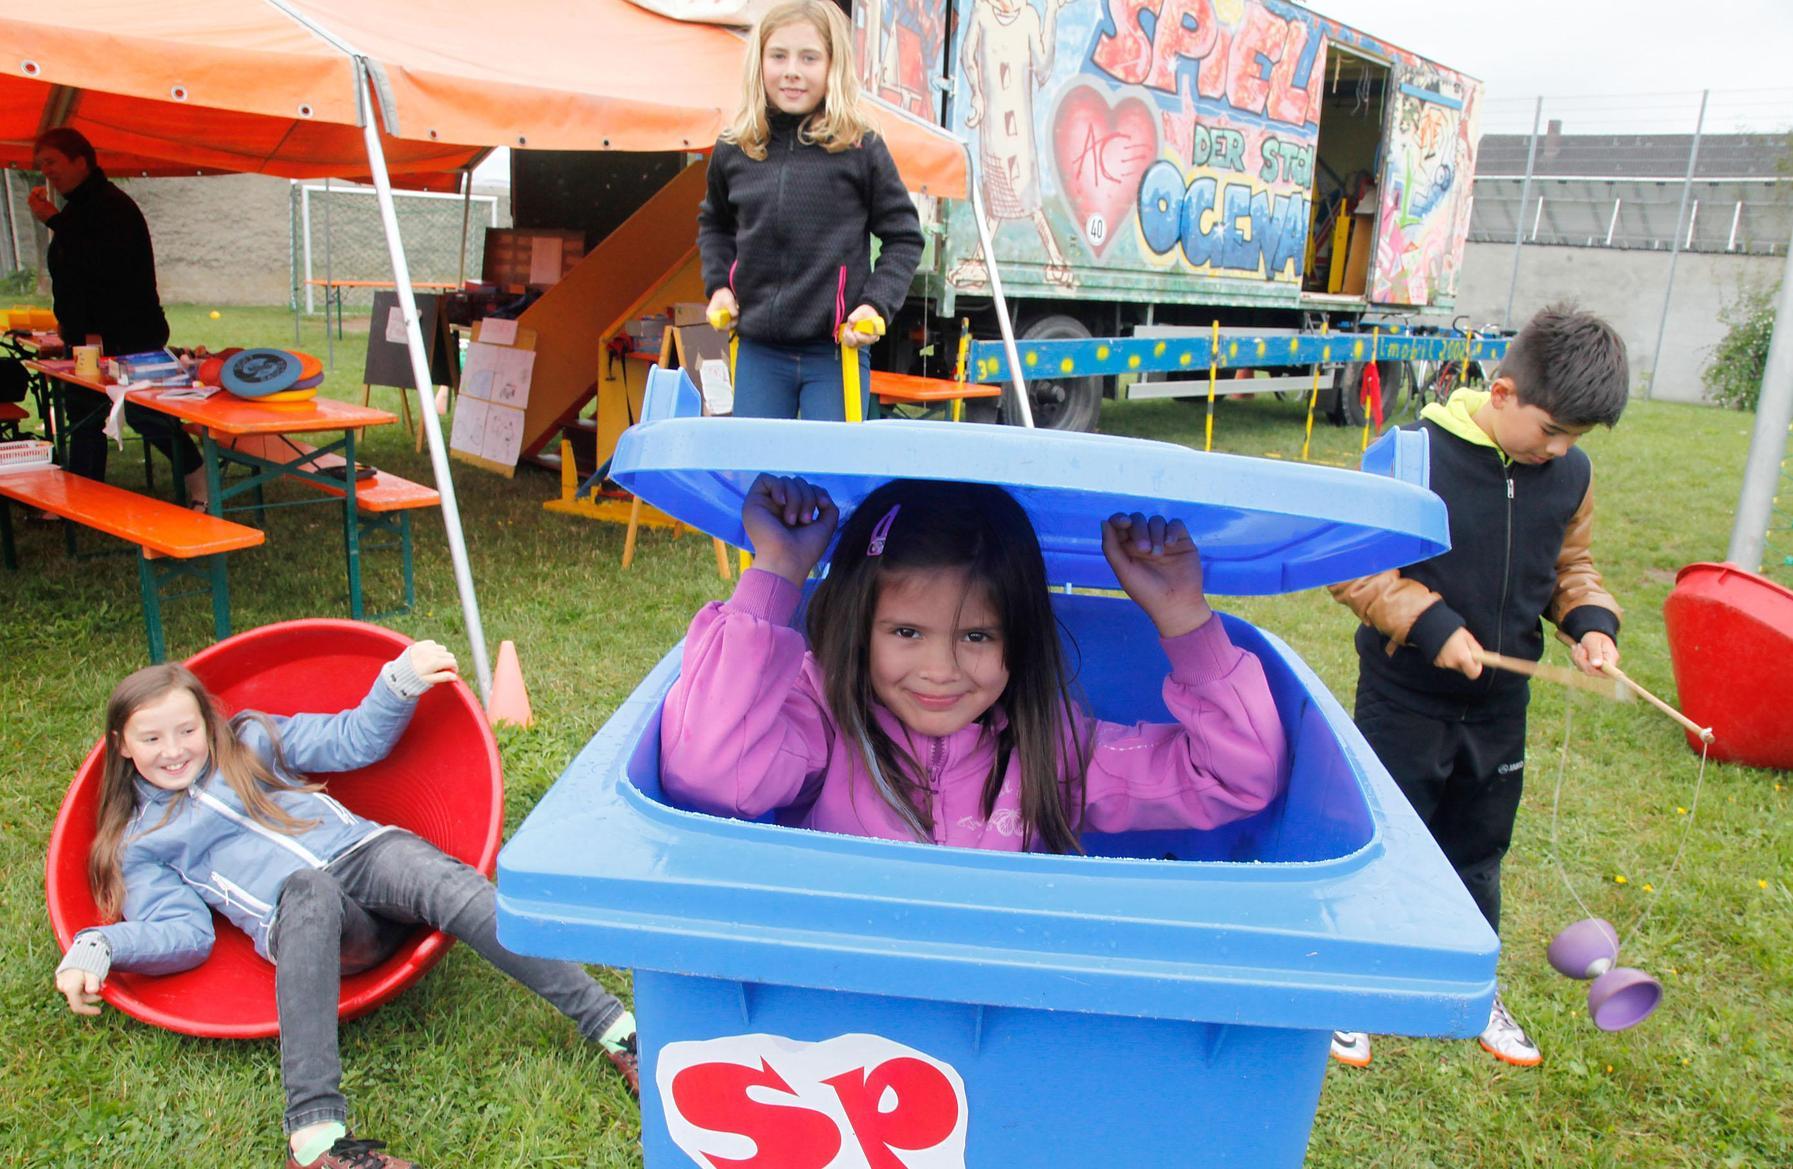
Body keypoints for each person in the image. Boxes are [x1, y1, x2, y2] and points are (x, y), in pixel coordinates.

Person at [51, 643, 639, 1169]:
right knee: (307, 886)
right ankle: (316, 1141)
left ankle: (617, 1031)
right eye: (151, 739)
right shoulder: (142, 843)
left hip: (366, 857)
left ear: (208, 723)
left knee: (429, 872)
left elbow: (351, 738)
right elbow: (183, 932)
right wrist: (101, 943)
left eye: (186, 731)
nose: (174, 751)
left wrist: (397, 683)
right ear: (122, 746)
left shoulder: (251, 740)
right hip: (318, 927)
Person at [660, 474, 1288, 851]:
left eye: (979, 637)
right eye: (907, 631)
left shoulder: (1055, 752)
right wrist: (777, 571)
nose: (941, 670)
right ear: (859, 626)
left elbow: (1236, 778)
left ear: (1020, 638)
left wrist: (1183, 617)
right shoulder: (823, 720)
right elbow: (709, 773)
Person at [1327, 304, 1630, 1069]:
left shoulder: (1570, 475)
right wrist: (1429, 623)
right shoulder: (1411, 454)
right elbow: (1357, 564)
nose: (1558, 451)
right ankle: (1352, 990)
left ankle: (1468, 986)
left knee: (1477, 850)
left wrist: (1590, 621)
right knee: (1384, 843)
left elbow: (1571, 569)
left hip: (1498, 708)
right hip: (1404, 698)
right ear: (1500, 394)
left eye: (1573, 441)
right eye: (1551, 431)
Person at [698, 0, 924, 421]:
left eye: (809, 58)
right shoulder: (736, 147)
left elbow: (904, 236)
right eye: (778, 56)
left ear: (833, 65)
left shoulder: (859, 147)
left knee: (830, 481)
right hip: (759, 349)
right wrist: (719, 285)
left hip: (835, 352)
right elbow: (714, 224)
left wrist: (875, 304)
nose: (792, 71)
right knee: (759, 475)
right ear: (759, 61)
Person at [29, 127, 206, 505]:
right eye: (41, 164)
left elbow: (102, 262)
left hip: (128, 333)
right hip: (86, 335)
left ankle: (198, 477)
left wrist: (55, 222)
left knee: (146, 414)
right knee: (83, 414)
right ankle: (81, 497)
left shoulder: (112, 206)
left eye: (52, 162)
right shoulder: (77, 209)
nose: (47, 171)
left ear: (81, 161)